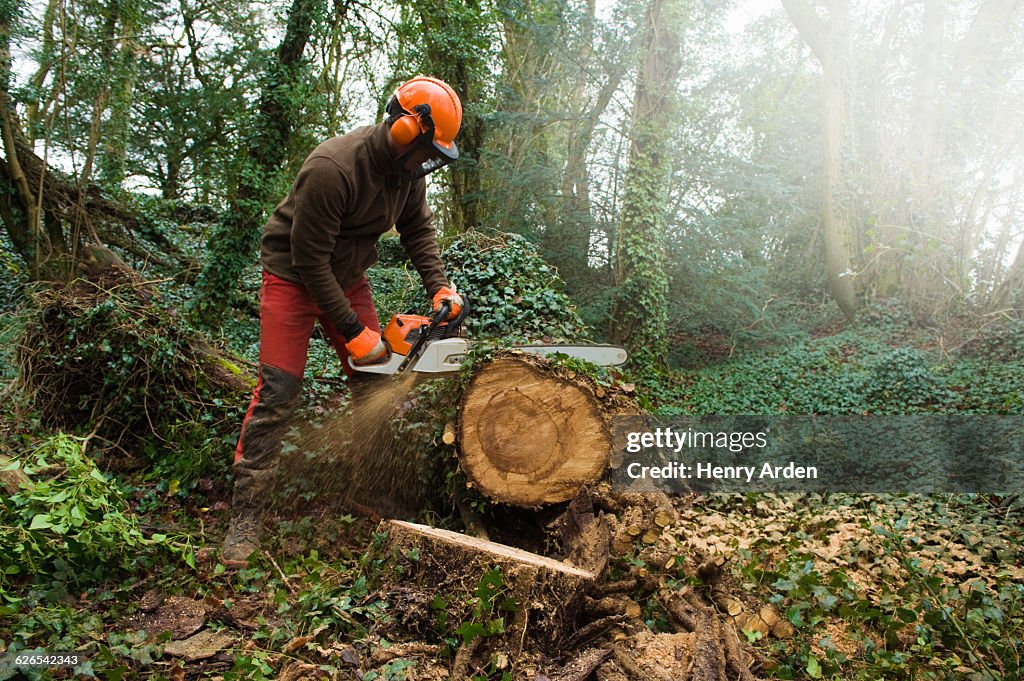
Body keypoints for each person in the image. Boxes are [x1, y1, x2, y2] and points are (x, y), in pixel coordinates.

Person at [220, 76, 465, 567]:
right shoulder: (333, 168)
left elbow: (417, 229)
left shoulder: (407, 173)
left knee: (374, 384)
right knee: (278, 391)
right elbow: (309, 261)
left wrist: (439, 285)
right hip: (294, 275)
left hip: (348, 275)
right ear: (402, 130)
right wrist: (354, 333)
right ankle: (245, 514)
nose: (426, 162)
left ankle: (369, 490)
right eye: (423, 149)